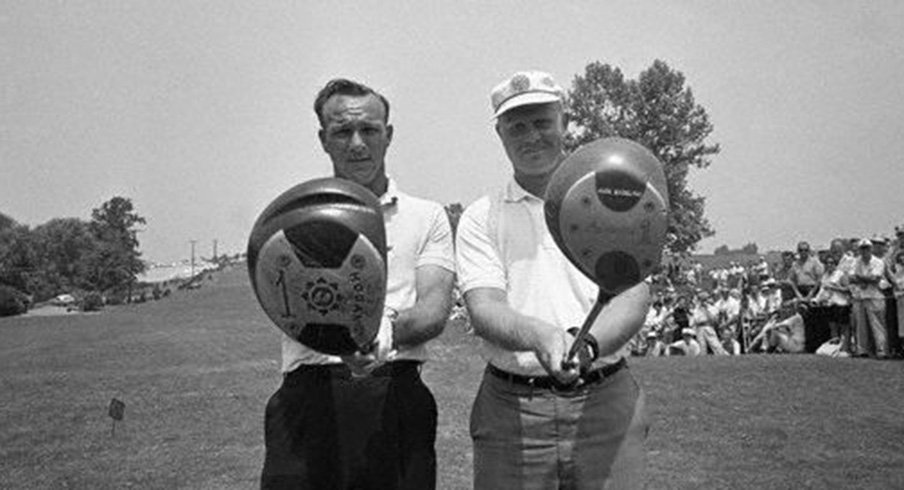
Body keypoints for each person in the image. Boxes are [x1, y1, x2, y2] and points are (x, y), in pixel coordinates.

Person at [456, 71, 650, 489]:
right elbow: (485, 308)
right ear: (500, 133)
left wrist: (589, 344)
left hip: (605, 399)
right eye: (517, 126)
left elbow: (633, 296)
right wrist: (542, 337)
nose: (531, 136)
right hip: (513, 409)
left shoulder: (614, 202)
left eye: (543, 122)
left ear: (566, 121)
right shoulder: (480, 216)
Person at [260, 78, 456, 489]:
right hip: (307, 398)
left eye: (369, 130)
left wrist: (378, 333)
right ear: (322, 139)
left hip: (396, 395)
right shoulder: (295, 217)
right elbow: (285, 303)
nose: (356, 143)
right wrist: (343, 343)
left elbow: (435, 310)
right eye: (342, 131)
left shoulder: (428, 216)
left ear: (389, 135)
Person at [849, 238, 888, 359]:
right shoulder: (856, 261)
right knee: (860, 326)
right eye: (862, 249)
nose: (864, 251)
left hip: (875, 296)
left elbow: (875, 279)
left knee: (878, 325)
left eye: (867, 248)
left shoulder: (878, 262)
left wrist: (860, 278)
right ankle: (862, 350)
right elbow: (850, 278)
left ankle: (881, 350)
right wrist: (866, 279)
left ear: (871, 249)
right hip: (860, 296)